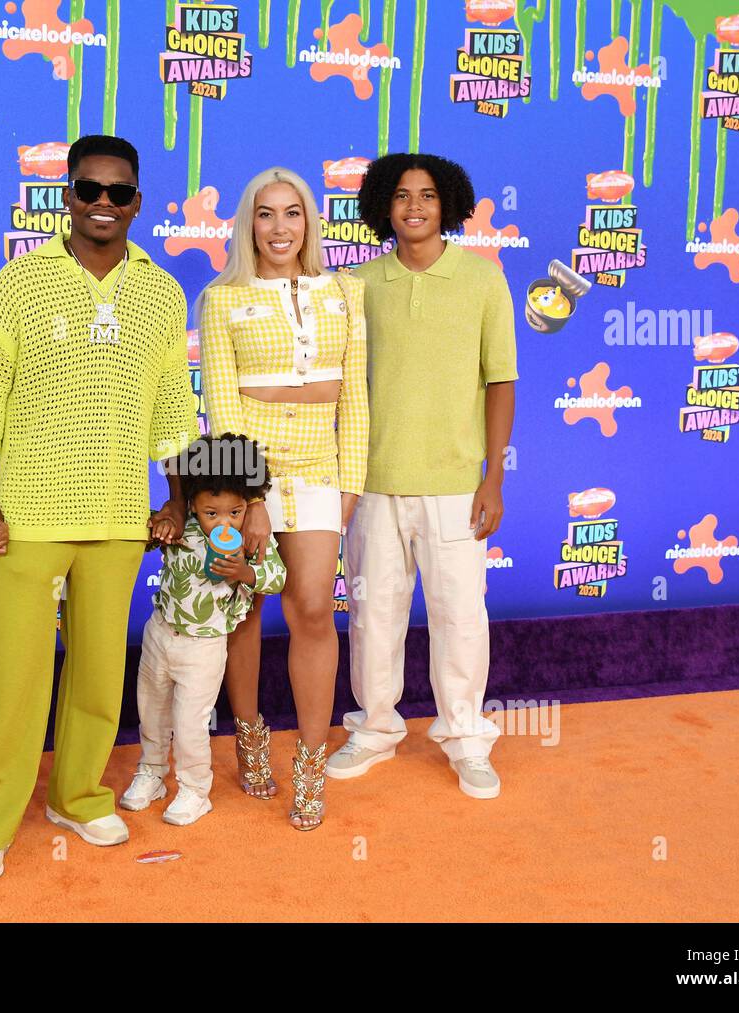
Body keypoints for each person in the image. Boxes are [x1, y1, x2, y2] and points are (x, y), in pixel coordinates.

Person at [0, 134, 200, 882]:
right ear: (65, 194)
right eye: (88, 188)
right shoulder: (20, 282)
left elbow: (171, 405)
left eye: (118, 193)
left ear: (137, 203)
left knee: (98, 671)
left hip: (121, 511)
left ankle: (79, 793)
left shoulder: (161, 289)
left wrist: (178, 494)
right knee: (12, 672)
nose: (102, 202)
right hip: (25, 509)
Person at [329, 152, 517, 799]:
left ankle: (466, 737)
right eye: (403, 195)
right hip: (374, 481)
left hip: (457, 485)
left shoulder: (483, 278)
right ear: (383, 204)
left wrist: (492, 478)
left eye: (428, 195)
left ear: (450, 204)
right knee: (373, 614)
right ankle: (375, 729)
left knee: (461, 617)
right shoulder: (357, 284)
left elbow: (500, 380)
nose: (414, 206)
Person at [197, 167, 368, 830]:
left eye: (291, 213)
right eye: (264, 214)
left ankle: (311, 764)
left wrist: (349, 490)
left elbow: (355, 399)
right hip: (251, 466)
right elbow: (220, 402)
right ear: (248, 224)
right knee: (245, 606)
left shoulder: (346, 293)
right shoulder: (221, 297)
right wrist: (251, 496)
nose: (279, 228)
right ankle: (248, 736)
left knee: (315, 608)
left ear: (309, 222)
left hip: (322, 467)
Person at [120, 434, 287, 826]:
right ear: (193, 501)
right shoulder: (183, 526)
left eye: (236, 511)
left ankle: (195, 790)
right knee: (152, 713)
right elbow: (146, 541)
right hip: (159, 634)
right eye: (213, 513)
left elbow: (277, 576)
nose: (225, 522)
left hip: (205, 647)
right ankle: (152, 772)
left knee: (191, 723)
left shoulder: (249, 540)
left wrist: (246, 572)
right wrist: (156, 527)